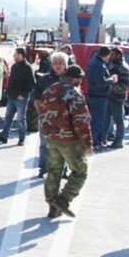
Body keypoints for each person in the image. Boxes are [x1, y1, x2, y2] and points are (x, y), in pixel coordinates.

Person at [36, 64, 93, 219]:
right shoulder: (74, 93)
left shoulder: (50, 89)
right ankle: (64, 200)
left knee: (53, 172)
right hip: (69, 140)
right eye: (80, 78)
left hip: (51, 138)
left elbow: (40, 108)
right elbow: (81, 120)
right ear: (75, 78)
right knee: (80, 171)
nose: (80, 81)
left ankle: (52, 206)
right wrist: (87, 144)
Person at [32, 53, 68, 178]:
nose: (58, 65)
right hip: (47, 118)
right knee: (44, 144)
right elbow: (36, 98)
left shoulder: (69, 80)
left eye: (60, 63)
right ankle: (43, 168)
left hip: (64, 120)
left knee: (63, 144)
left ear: (65, 65)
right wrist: (41, 113)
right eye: (55, 63)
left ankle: (63, 169)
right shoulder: (44, 80)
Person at [0, 47, 35, 145]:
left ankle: (21, 138)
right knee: (8, 117)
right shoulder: (14, 66)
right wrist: (8, 91)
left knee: (20, 119)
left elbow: (32, 84)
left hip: (21, 99)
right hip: (11, 97)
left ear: (21, 55)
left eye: (16, 53)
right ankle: (4, 137)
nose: (14, 55)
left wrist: (24, 94)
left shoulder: (27, 67)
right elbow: (11, 81)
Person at [84, 46, 115, 149]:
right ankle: (95, 142)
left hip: (95, 94)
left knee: (96, 119)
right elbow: (100, 82)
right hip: (98, 95)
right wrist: (111, 80)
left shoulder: (95, 62)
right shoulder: (98, 65)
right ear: (107, 55)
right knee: (97, 120)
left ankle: (96, 141)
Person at [106, 47, 129, 148]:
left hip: (117, 97)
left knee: (119, 120)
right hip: (109, 97)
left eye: (112, 54)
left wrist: (109, 86)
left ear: (118, 55)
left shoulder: (123, 68)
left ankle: (119, 141)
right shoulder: (111, 65)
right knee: (107, 119)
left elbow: (124, 86)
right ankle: (108, 136)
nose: (110, 56)